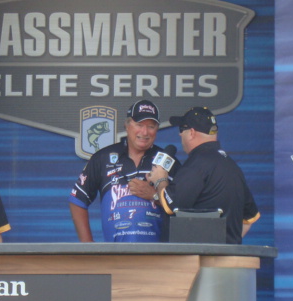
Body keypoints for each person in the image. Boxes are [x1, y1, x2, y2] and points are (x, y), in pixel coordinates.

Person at [68, 99, 178, 242]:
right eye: (139, 125)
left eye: (151, 126)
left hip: (159, 253)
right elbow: (77, 200)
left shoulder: (169, 162)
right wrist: (88, 246)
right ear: (127, 125)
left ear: (157, 129)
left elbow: (182, 208)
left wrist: (154, 195)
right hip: (115, 253)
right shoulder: (103, 158)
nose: (144, 132)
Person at [147, 107, 260, 244]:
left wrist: (160, 178)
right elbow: (249, 218)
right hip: (227, 256)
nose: (180, 134)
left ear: (192, 132)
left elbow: (170, 204)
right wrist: (225, 247)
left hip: (197, 256)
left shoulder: (197, 163)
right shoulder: (232, 166)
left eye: (182, 130)